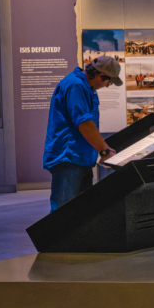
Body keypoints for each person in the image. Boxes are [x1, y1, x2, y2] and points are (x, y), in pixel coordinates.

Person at [44, 55, 120, 210]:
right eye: (109, 82)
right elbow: (85, 124)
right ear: (101, 76)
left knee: (79, 212)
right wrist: (104, 151)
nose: (107, 86)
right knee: (63, 213)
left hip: (80, 158)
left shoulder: (86, 87)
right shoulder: (75, 86)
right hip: (69, 159)